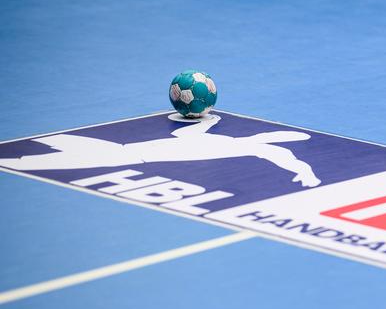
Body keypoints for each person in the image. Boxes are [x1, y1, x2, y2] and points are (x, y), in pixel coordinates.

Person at [0, 115, 322, 187]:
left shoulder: (258, 149)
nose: (277, 135)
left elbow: (285, 158)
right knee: (45, 147)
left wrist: (305, 172)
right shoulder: (217, 140)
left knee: (26, 161)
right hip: (119, 148)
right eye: (280, 132)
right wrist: (207, 119)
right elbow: (187, 131)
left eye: (284, 135)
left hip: (126, 157)